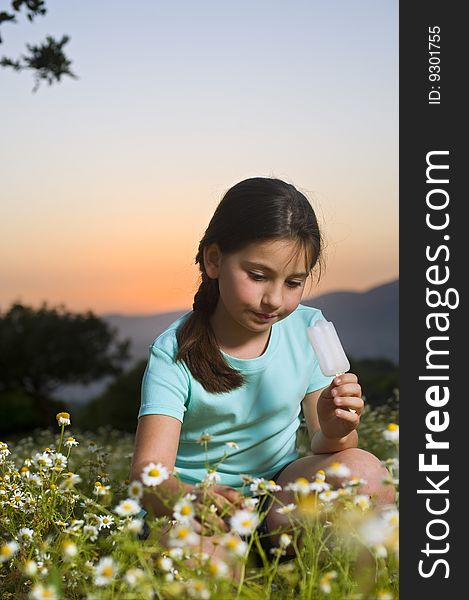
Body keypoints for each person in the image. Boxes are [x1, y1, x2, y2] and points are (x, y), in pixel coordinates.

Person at [129, 177, 394, 576]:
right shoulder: (175, 351)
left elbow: (330, 444)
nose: (274, 300)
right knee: (205, 567)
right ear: (214, 260)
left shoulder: (310, 328)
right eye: (257, 275)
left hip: (278, 501)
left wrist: (338, 426)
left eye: (293, 283)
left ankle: (342, 577)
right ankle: (240, 564)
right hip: (201, 508)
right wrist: (194, 499)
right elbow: (148, 478)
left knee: (364, 472)